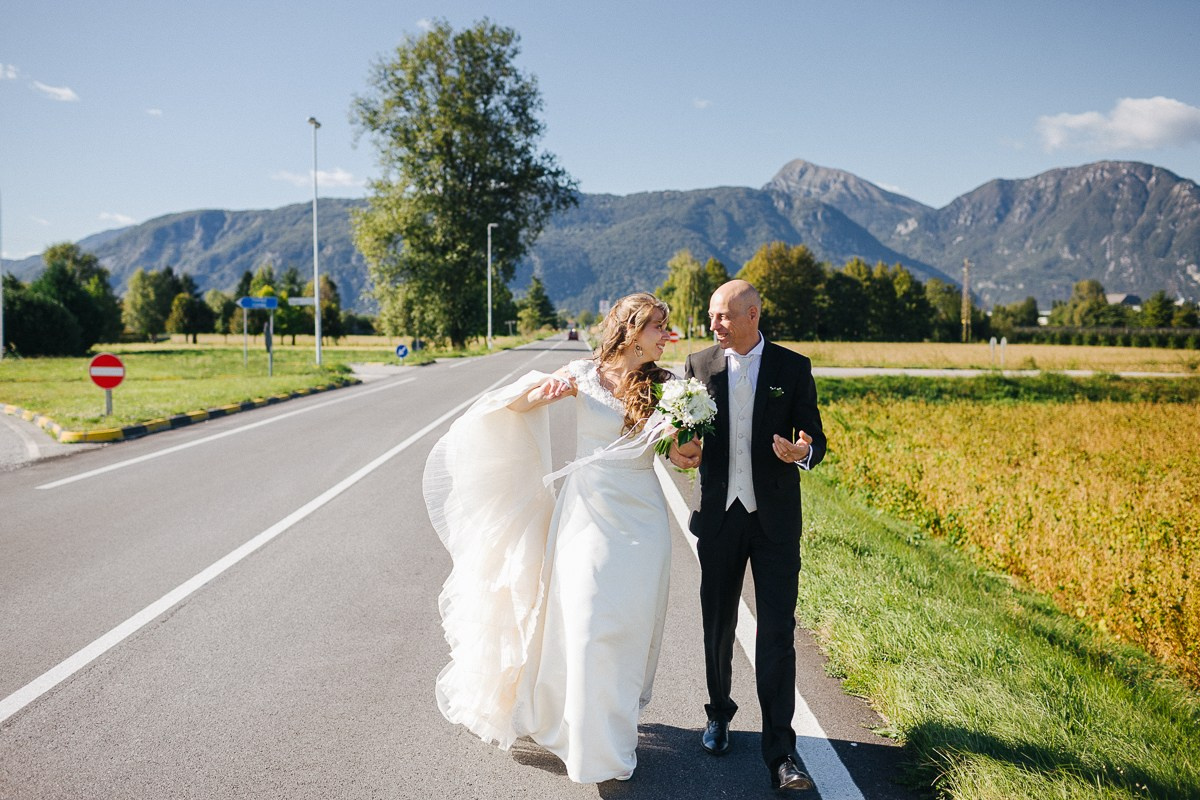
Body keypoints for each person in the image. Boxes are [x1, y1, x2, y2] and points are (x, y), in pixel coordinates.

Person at [424, 292, 676, 783]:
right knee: (583, 620)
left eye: (667, 328)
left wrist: (688, 430)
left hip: (643, 517)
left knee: (624, 628)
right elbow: (511, 403)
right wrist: (538, 396)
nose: (667, 336)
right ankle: (583, 739)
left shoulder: (667, 384)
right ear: (631, 330)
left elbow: (688, 457)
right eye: (658, 327)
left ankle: (611, 735)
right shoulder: (584, 375)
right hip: (586, 512)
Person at [669, 279, 826, 792]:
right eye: (712, 317)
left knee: (777, 633)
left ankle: (782, 754)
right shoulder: (698, 366)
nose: (714, 326)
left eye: (723, 317)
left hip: (775, 520)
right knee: (717, 623)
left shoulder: (792, 367)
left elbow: (815, 439)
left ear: (753, 314)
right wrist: (681, 447)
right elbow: (683, 438)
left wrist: (800, 452)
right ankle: (719, 713)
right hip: (719, 516)